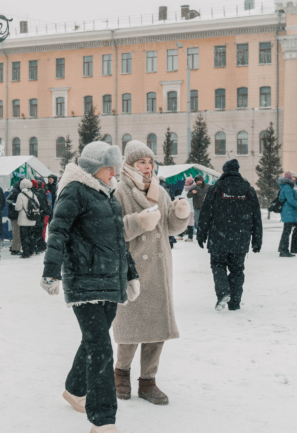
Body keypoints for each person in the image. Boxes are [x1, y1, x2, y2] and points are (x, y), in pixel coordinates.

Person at [41, 141, 139, 433]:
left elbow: (120, 241)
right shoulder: (75, 191)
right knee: (101, 348)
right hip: (85, 282)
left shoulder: (107, 196)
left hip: (110, 281)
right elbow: (57, 231)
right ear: (97, 168)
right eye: (111, 168)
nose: (114, 174)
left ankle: (74, 389)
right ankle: (103, 420)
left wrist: (130, 274)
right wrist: (50, 272)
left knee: (93, 341)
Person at [112, 141, 190, 406]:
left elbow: (170, 226)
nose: (147, 167)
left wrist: (180, 215)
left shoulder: (161, 190)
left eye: (149, 162)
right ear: (130, 165)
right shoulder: (120, 192)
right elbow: (112, 231)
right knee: (131, 325)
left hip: (158, 268)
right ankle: (120, 373)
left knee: (156, 327)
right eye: (141, 162)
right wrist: (138, 222)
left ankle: (148, 381)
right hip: (132, 268)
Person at [197, 159, 263, 311]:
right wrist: (257, 240)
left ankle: (223, 292)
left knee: (218, 265)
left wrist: (201, 234)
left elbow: (205, 214)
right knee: (237, 269)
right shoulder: (249, 190)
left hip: (218, 237)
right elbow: (256, 217)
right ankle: (234, 302)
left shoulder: (215, 189)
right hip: (241, 238)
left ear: (224, 171)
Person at [278, 171, 297, 258]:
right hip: (288, 211)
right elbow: (291, 200)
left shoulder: (285, 186)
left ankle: (282, 249)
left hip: (287, 211)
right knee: (286, 232)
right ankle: (284, 250)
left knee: (286, 231)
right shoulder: (288, 187)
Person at [14, 178, 38, 258]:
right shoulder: (33, 194)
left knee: (24, 237)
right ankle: (32, 251)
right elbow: (38, 205)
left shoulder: (21, 195)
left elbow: (18, 208)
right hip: (32, 219)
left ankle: (26, 253)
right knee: (31, 236)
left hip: (23, 220)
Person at [6, 178, 23, 256]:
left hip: (14, 214)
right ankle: (15, 249)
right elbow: (8, 200)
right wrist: (16, 205)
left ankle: (14, 247)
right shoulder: (16, 191)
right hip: (15, 214)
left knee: (16, 232)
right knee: (17, 232)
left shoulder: (15, 189)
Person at [176, 178, 195, 242]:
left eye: (187, 182)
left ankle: (190, 237)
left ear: (190, 183)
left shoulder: (194, 188)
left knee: (190, 223)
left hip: (191, 208)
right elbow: (183, 195)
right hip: (185, 207)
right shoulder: (185, 188)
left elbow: (191, 198)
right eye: (186, 182)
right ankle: (180, 235)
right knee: (183, 221)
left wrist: (185, 199)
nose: (186, 183)